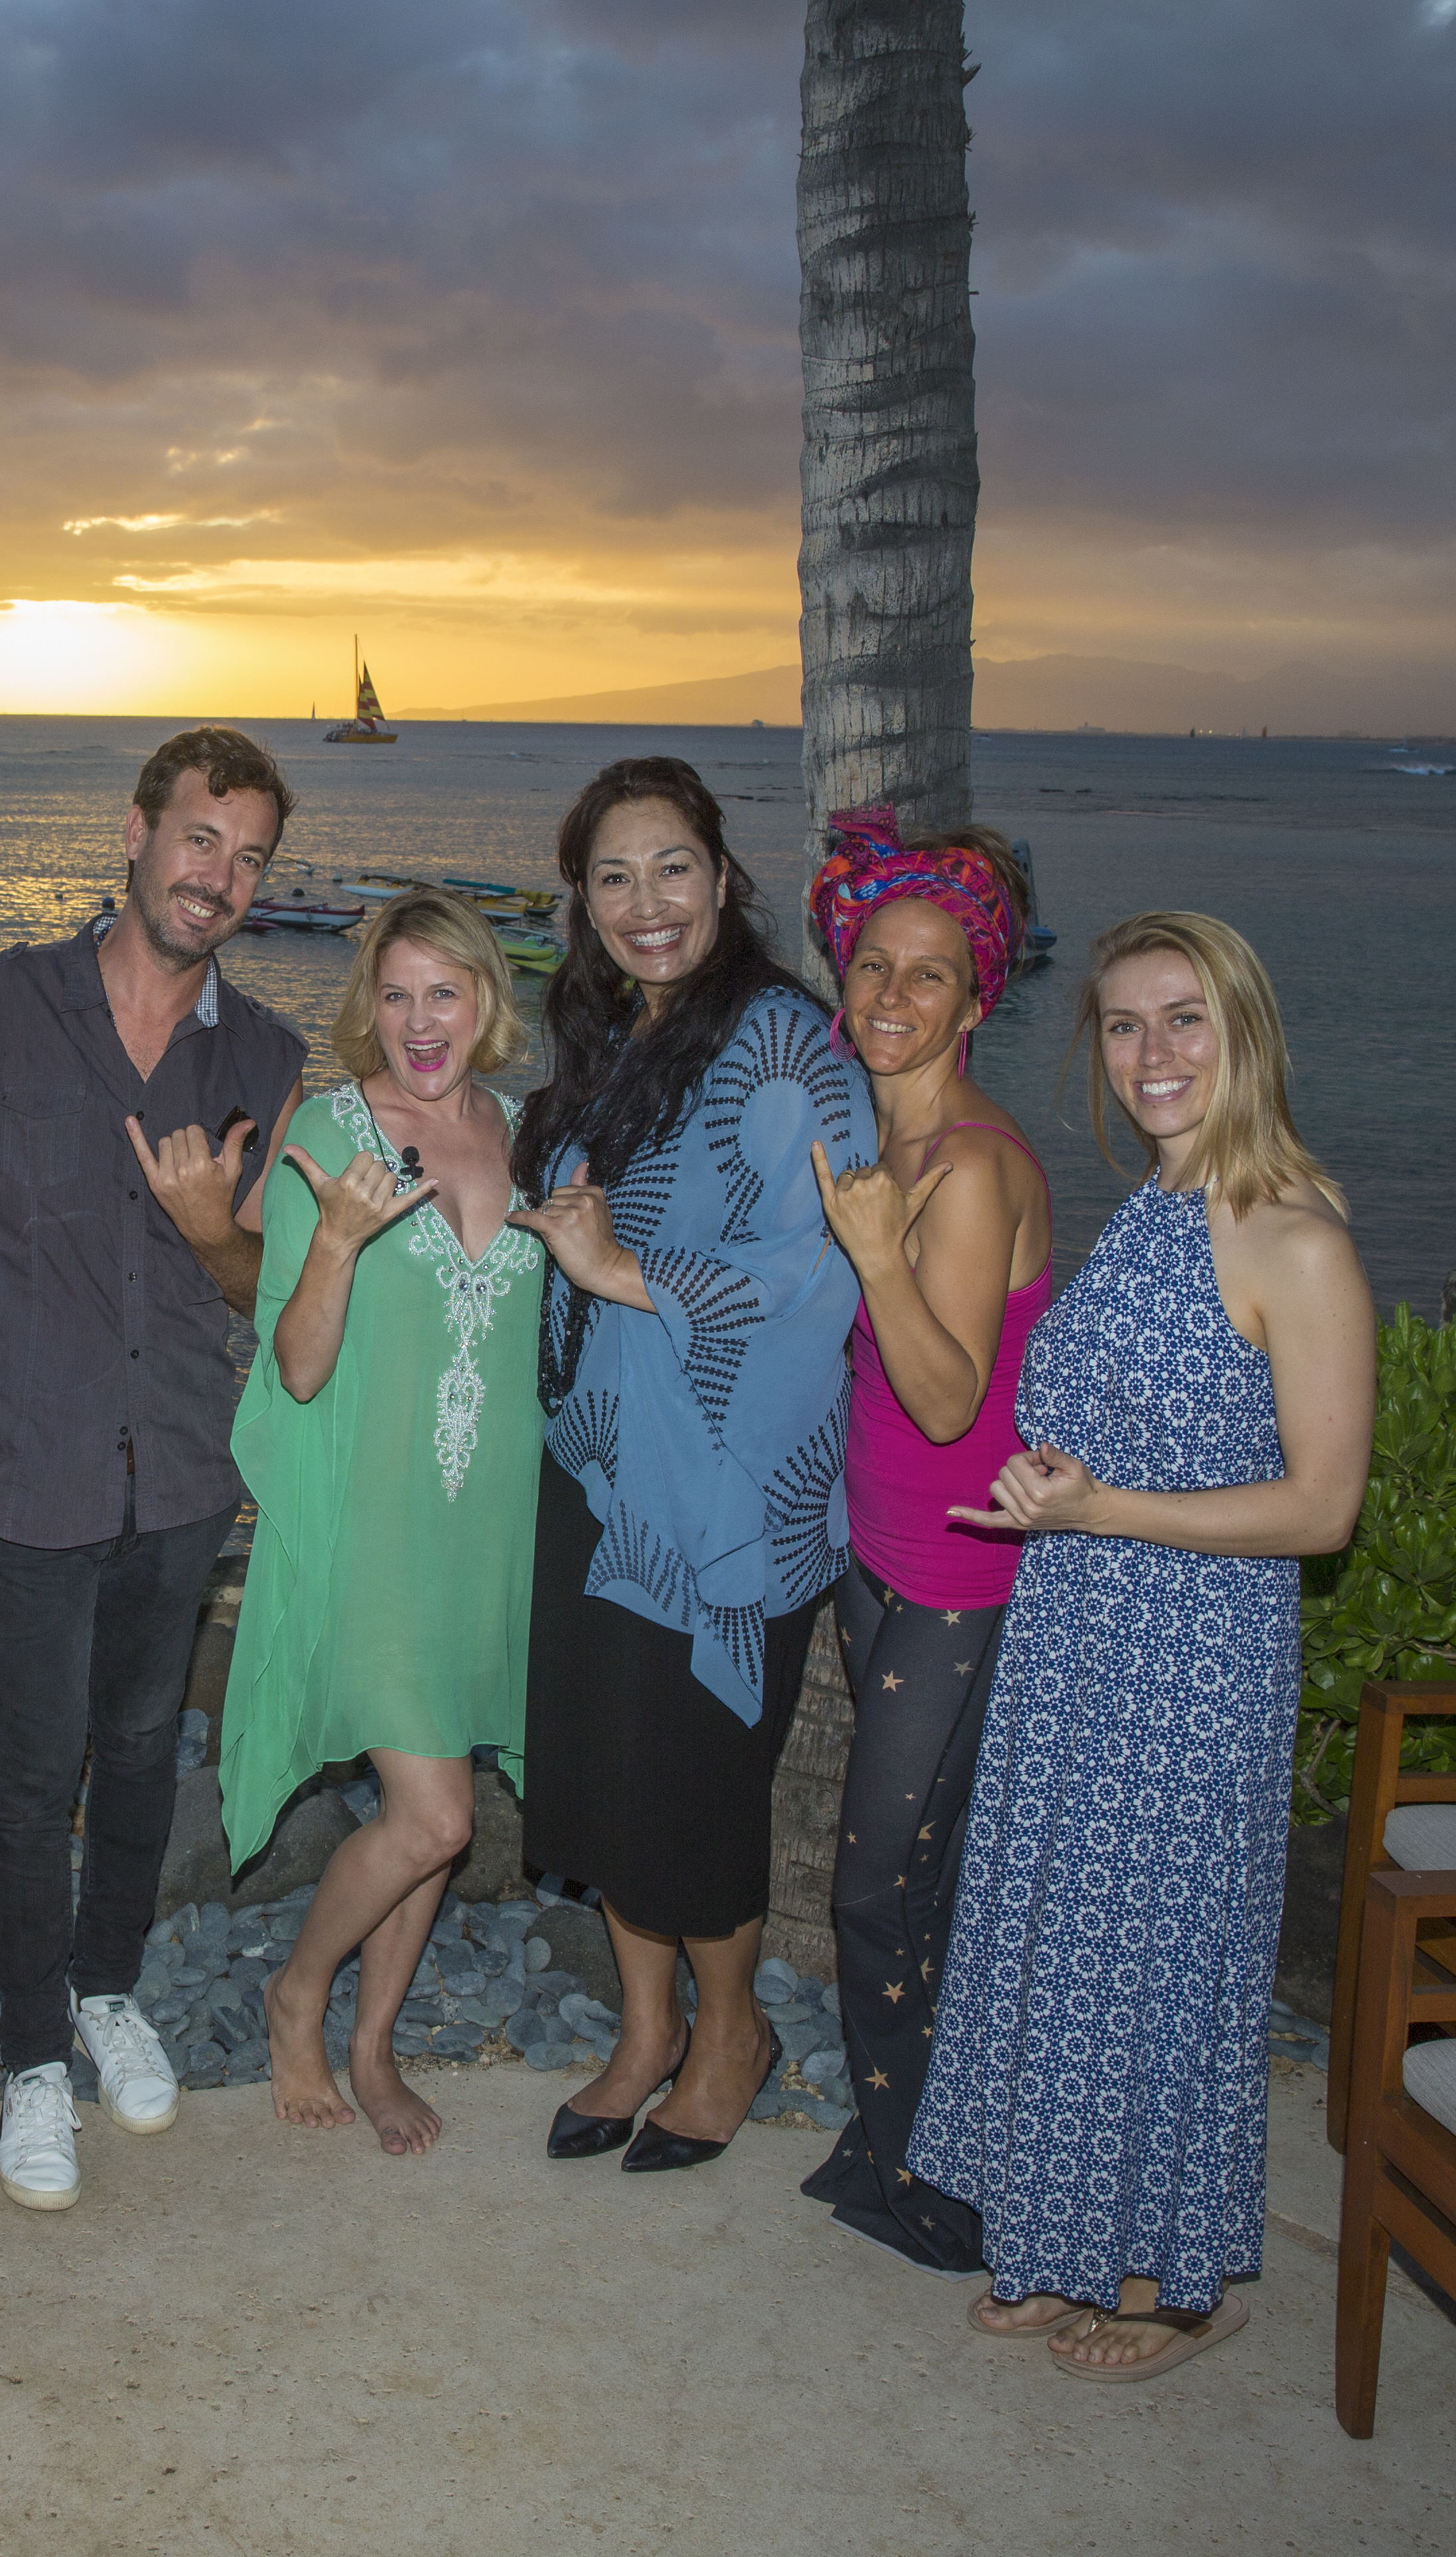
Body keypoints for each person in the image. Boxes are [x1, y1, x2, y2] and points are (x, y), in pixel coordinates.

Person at [907, 910, 1376, 2381]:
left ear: (1245, 1031)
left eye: (1184, 1019)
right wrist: (1061, 1495)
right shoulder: (1159, 1211)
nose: (1152, 1054)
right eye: (1122, 1025)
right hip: (1082, 1631)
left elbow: (1322, 1508)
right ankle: (1058, 2245)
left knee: (1159, 1962)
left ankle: (1176, 2284)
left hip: (1190, 1665)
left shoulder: (1296, 1244)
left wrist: (1107, 1505)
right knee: (1068, 1946)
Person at [0, 726, 307, 2210]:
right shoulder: (4, 1005)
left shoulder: (262, 1057)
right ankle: (27, 2059)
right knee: (29, 1781)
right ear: (136, 834)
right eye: (200, 838)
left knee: (145, 1753)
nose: (219, 875)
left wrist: (213, 1225)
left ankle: (106, 1989)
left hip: (184, 1474)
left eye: (250, 855)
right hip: (28, 1459)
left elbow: (255, 1287)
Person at [507, 757, 865, 2173]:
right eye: (612, 876)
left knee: (698, 1783)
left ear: (723, 879)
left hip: (723, 1491)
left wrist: (627, 1269)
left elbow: (824, 1274)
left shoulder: (788, 1043)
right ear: (583, 903)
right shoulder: (613, 1040)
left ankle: (732, 2039)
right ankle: (644, 2029)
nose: (644, 903)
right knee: (606, 1772)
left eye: (671, 868)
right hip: (602, 1474)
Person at [223, 892, 541, 2155]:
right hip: (380, 1524)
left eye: (447, 993)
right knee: (438, 1819)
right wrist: (340, 1244)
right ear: (371, 1001)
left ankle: (373, 2042)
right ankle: (298, 1995)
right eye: (398, 994)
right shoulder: (328, 1134)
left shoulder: (528, 1131)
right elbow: (297, 1369)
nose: (422, 1022)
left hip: (491, 1526)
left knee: (445, 1787)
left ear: (486, 1003)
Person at [792, 811, 1052, 2274]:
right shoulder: (891, 1140)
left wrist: (881, 1254)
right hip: (880, 1558)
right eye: (875, 967)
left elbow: (949, 1399)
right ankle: (902, 2137)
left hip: (956, 1579)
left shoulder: (962, 1167)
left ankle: (942, 2189)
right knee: (915, 1879)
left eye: (930, 977)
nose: (892, 996)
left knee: (877, 1887)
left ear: (977, 998)